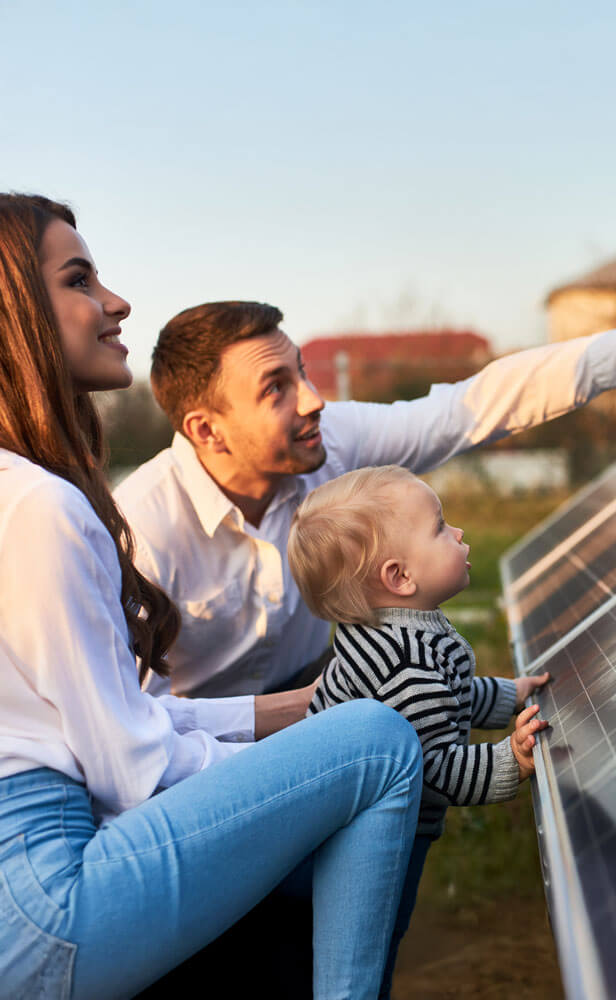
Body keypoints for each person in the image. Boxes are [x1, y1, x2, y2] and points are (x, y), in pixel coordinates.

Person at [0, 192, 424, 1000]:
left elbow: (112, 715)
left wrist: (304, 711)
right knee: (379, 744)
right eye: (80, 279)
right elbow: (132, 767)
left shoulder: (17, 492)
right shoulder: (41, 510)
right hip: (48, 907)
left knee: (350, 728)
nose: (117, 302)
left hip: (28, 889)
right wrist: (301, 761)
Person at [113, 219, 616, 704]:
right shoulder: (141, 530)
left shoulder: (330, 440)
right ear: (207, 430)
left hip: (315, 691)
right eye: (276, 387)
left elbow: (474, 406)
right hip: (201, 751)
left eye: (301, 370)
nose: (314, 398)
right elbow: (136, 729)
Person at [287, 464, 552, 998]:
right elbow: (436, 768)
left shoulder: (403, 636)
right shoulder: (408, 664)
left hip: (340, 825)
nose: (457, 534)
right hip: (366, 840)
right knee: (370, 944)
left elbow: (454, 695)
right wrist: (512, 761)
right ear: (399, 577)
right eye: (440, 527)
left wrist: (511, 694)